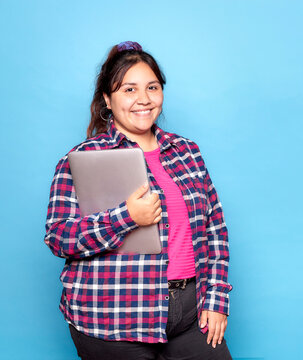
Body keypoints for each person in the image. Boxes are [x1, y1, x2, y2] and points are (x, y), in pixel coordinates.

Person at [44, 41, 232, 360]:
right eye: (129, 89)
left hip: (190, 313)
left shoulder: (188, 152)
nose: (143, 99)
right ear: (108, 98)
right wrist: (127, 217)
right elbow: (59, 237)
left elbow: (215, 231)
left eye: (152, 87)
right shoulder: (82, 159)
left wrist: (217, 300)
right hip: (112, 320)